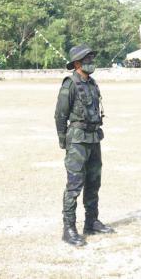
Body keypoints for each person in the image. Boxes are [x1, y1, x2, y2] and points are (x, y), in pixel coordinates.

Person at [54, 44, 115, 247]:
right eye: (87, 59)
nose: (91, 62)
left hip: (94, 138)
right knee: (74, 185)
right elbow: (60, 115)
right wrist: (64, 140)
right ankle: (69, 228)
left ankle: (91, 222)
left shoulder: (92, 83)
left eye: (92, 58)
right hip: (78, 140)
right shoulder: (69, 84)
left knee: (94, 182)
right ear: (77, 63)